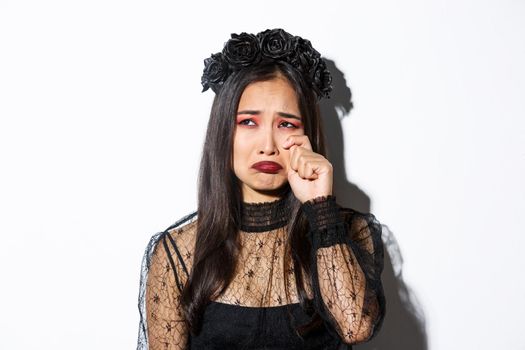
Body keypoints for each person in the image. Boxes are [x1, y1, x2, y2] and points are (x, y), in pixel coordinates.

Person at [136, 28, 386, 350]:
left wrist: (320, 206)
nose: (267, 146)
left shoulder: (347, 232)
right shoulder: (179, 253)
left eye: (286, 124)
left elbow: (356, 327)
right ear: (223, 132)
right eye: (249, 122)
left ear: (307, 134)